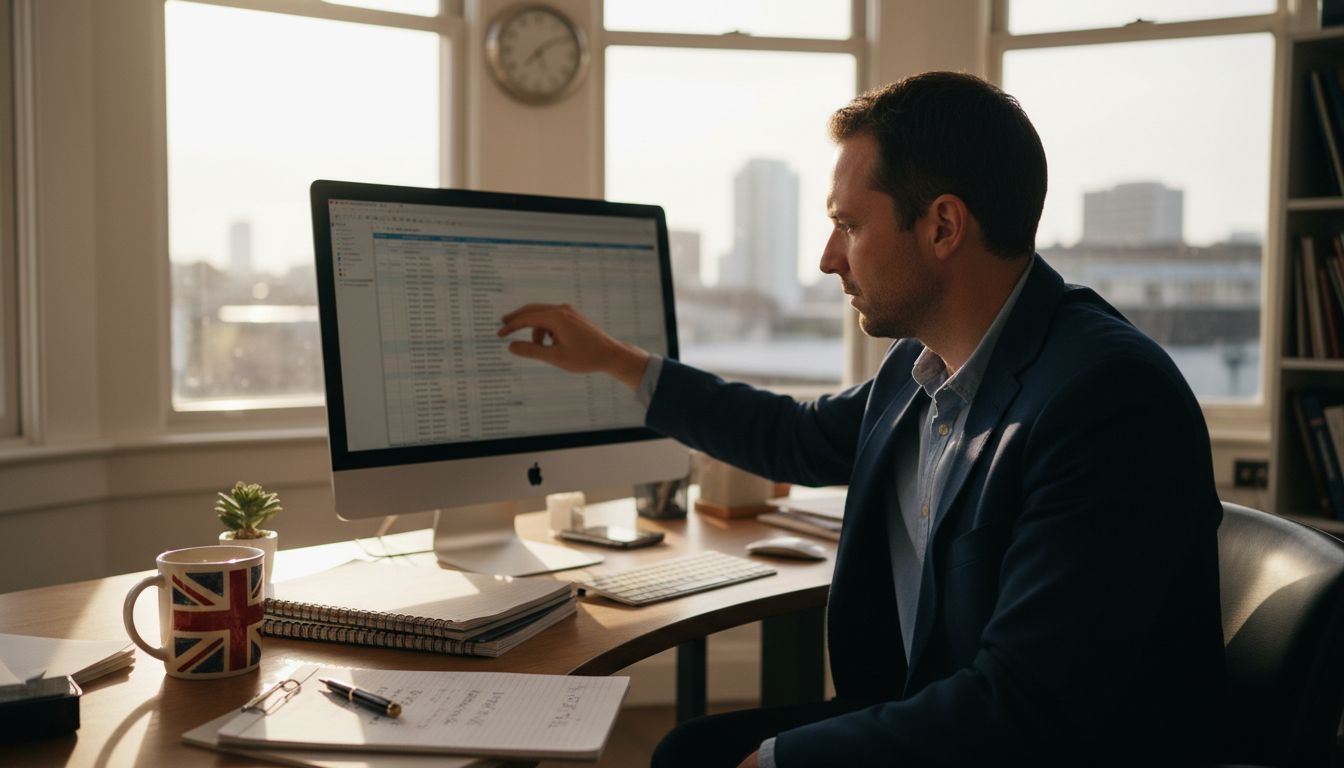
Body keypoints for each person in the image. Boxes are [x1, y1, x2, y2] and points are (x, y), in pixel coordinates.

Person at [497, 72, 1224, 767]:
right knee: (689, 751)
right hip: (941, 711)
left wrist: (787, 760)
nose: (826, 258)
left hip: (1035, 747)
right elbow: (791, 436)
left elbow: (1028, 707)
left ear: (942, 226)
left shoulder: (1106, 400)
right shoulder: (922, 372)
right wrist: (618, 362)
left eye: (848, 224)